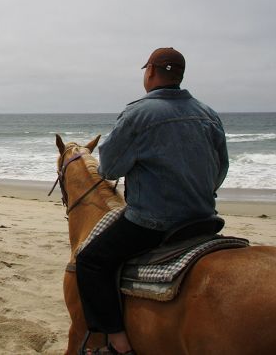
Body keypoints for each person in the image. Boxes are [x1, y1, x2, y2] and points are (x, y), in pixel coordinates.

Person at [76, 47, 229, 355]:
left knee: (90, 262)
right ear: (180, 76)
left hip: (153, 223)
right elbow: (220, 169)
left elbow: (109, 169)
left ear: (150, 73)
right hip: (203, 219)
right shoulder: (208, 114)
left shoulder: (138, 113)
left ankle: (118, 344)